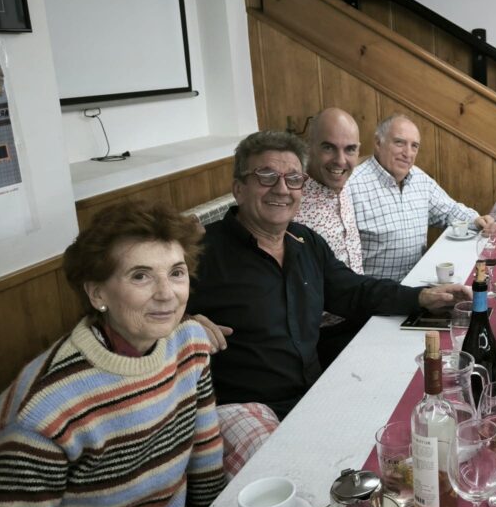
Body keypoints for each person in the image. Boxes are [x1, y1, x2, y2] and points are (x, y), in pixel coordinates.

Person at [0, 202, 224, 507]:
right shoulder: (45, 408)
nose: (166, 294)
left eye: (176, 273)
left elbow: (206, 472)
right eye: (140, 276)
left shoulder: (189, 343)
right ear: (97, 292)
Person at [188, 130, 469, 421]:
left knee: (427, 408)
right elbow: (145, 330)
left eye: (293, 179)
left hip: (315, 396)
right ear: (239, 188)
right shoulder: (198, 254)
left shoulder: (304, 241)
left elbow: (354, 290)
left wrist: (422, 296)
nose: (282, 189)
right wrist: (182, 326)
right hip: (248, 414)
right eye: (266, 175)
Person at [346, 114, 496, 280]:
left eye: (414, 146)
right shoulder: (351, 186)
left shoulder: (419, 179)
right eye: (399, 142)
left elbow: (449, 210)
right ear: (378, 143)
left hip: (420, 287)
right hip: (376, 297)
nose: (408, 153)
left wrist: (476, 220)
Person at [294, 107, 367, 368]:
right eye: (328, 148)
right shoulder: (289, 199)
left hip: (359, 316)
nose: (340, 160)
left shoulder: (344, 183)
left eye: (350, 149)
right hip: (318, 339)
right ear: (309, 147)